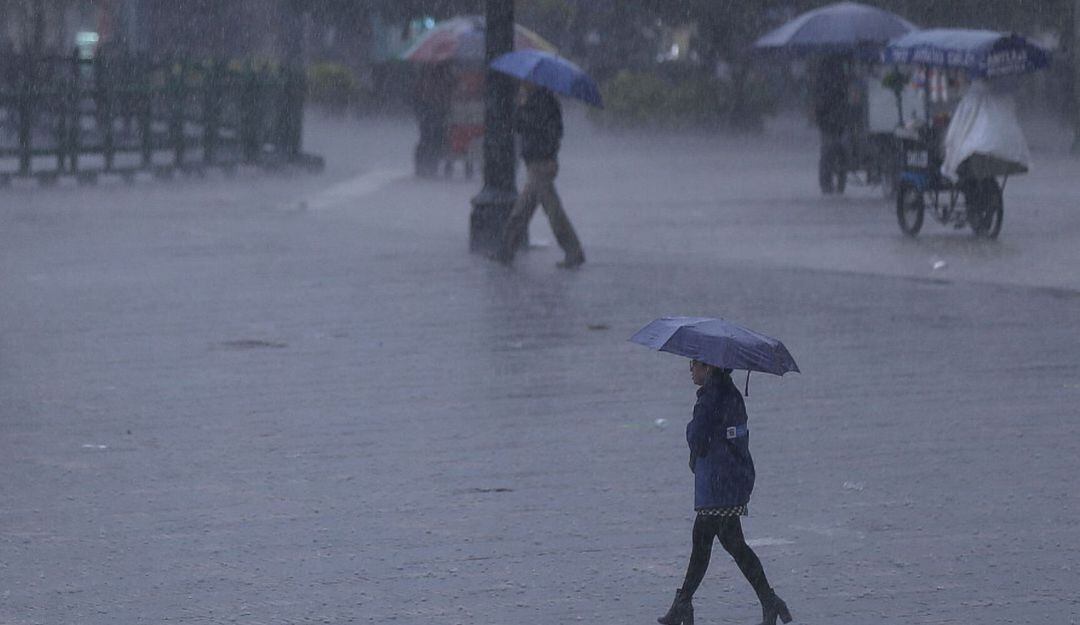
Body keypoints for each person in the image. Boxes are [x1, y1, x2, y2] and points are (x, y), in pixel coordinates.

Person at [657, 360, 792, 625]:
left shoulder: (711, 397)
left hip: (718, 482)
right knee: (731, 542)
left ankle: (683, 605)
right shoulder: (729, 392)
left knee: (704, 541)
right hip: (731, 478)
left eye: (695, 364)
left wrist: (691, 426)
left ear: (708, 368)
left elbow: (696, 437)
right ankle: (770, 601)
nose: (690, 368)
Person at [493, 81, 585, 268]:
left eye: (526, 80)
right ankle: (506, 250)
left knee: (552, 211)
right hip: (537, 162)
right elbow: (520, 126)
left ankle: (573, 251)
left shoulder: (542, 102)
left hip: (541, 163)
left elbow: (534, 128)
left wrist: (522, 108)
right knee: (523, 209)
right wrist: (521, 106)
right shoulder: (537, 101)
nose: (522, 83)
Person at [812, 53, 853, 194]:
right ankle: (834, 185)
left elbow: (819, 105)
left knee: (829, 154)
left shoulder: (824, 81)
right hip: (835, 122)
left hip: (832, 122)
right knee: (836, 153)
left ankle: (828, 185)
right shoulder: (840, 79)